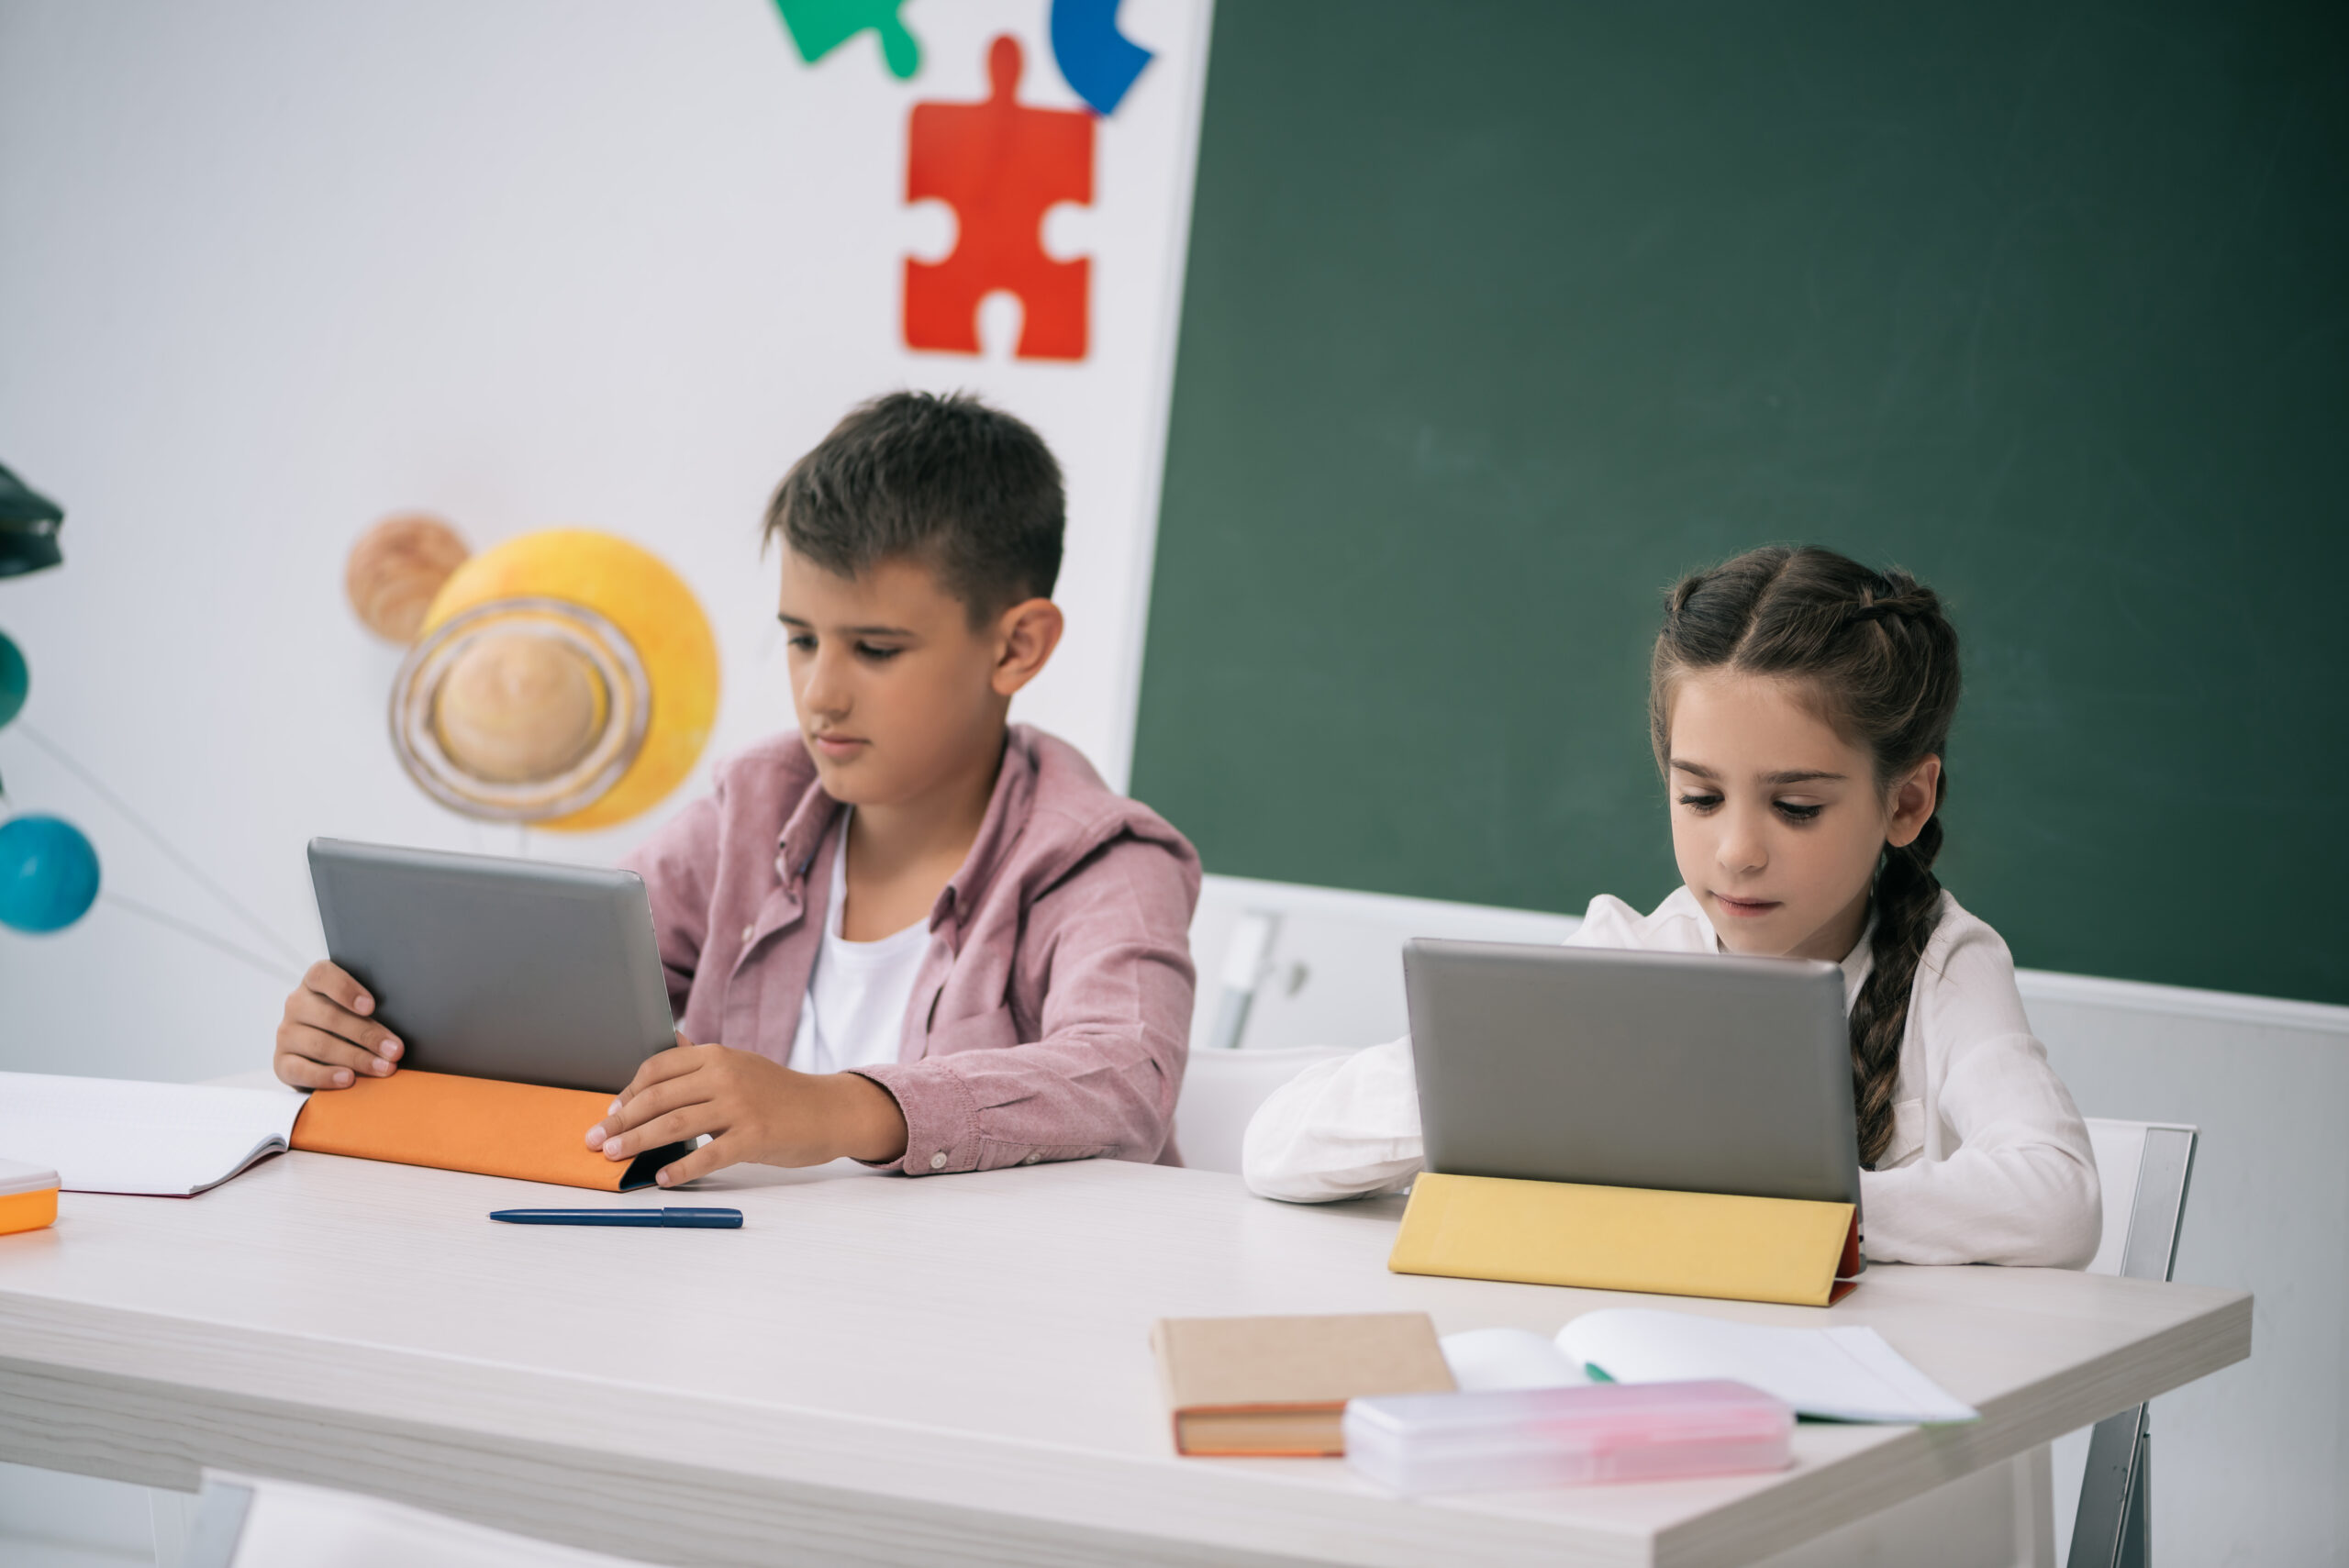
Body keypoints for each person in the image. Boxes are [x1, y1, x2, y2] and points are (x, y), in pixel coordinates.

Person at [275, 391, 1201, 1185]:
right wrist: (376, 1036)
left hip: (975, 1330)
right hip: (735, 1311)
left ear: (1016, 645)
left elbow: (1123, 1078)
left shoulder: (1104, 860)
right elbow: (564, 999)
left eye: (875, 649)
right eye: (801, 638)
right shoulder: (753, 809)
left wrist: (838, 1107)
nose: (820, 691)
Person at [1242, 545, 2099, 1267]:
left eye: (1796, 807)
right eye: (1699, 798)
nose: (1737, 850)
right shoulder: (1630, 954)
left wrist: (1797, 1204)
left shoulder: (1945, 964)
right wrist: (1509, 1081)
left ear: (1907, 802)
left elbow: (2060, 1199)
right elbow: (1278, 1147)